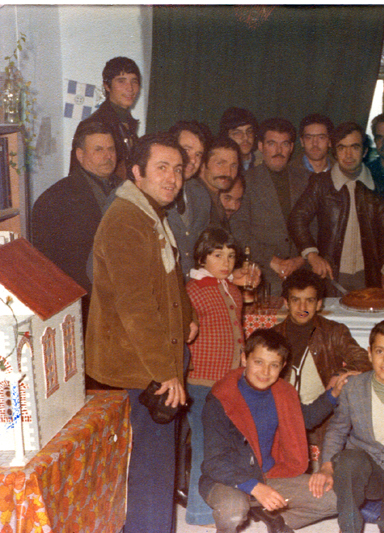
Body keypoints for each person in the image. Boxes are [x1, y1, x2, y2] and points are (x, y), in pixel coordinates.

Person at [85, 132, 197, 533]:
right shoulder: (126, 221)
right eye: (162, 168)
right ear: (137, 171)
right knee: (149, 471)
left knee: (157, 465)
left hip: (151, 360)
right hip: (137, 369)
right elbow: (136, 308)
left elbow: (169, 281)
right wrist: (166, 372)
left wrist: (187, 317)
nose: (172, 178)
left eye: (178, 169)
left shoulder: (149, 213)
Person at [200, 329, 338, 533]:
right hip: (227, 480)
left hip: (269, 475)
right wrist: (255, 488)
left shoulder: (283, 393)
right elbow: (214, 462)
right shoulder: (220, 398)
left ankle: (277, 523)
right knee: (233, 509)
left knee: (334, 497)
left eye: (274, 365)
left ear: (283, 366)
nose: (265, 372)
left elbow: (306, 419)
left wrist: (333, 394)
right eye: (259, 362)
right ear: (244, 358)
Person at [310, 319, 384, 533]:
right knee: (347, 461)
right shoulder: (353, 387)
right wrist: (326, 466)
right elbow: (337, 429)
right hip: (363, 469)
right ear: (370, 353)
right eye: (380, 351)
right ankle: (349, 527)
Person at [288, 121, 384, 292]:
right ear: (335, 151)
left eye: (354, 147)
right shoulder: (321, 183)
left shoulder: (378, 184)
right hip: (330, 275)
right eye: (342, 148)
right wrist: (312, 255)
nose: (348, 155)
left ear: (365, 151)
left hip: (368, 274)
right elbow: (296, 219)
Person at [182, 228, 245, 526]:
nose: (226, 262)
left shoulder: (232, 289)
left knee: (222, 444)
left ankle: (224, 501)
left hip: (227, 381)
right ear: (202, 258)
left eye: (231, 256)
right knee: (204, 445)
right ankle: (198, 511)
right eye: (217, 255)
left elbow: (237, 329)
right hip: (201, 381)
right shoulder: (192, 290)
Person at [270, 270, 371, 451]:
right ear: (286, 303)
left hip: (324, 417)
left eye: (309, 300)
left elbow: (364, 360)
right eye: (296, 300)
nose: (302, 307)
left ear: (318, 304)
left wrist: (341, 373)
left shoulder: (333, 331)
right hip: (283, 417)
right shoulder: (272, 336)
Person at [32, 121, 119, 326]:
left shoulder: (126, 189)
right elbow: (47, 268)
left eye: (111, 149)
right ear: (80, 155)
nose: (108, 156)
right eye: (98, 150)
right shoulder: (55, 198)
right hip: (82, 308)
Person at [230, 117, 307, 291]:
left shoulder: (306, 179)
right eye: (272, 144)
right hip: (263, 276)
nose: (278, 151)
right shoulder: (245, 181)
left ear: (292, 147)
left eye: (284, 144)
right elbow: (238, 230)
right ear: (260, 146)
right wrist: (271, 260)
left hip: (302, 274)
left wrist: (300, 260)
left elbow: (317, 227)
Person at [79, 56, 140, 180]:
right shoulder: (95, 124)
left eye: (134, 81)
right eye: (121, 81)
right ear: (107, 86)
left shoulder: (128, 122)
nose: (130, 88)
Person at [166, 120, 213, 277]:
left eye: (198, 154)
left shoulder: (201, 195)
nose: (192, 160)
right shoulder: (154, 190)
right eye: (186, 150)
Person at [198, 136, 241, 230]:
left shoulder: (215, 198)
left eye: (233, 166)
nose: (228, 172)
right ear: (202, 165)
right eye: (220, 163)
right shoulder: (196, 198)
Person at [219, 107, 260, 173]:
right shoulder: (220, 164)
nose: (245, 137)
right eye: (237, 133)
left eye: (249, 131)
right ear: (226, 136)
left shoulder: (263, 160)